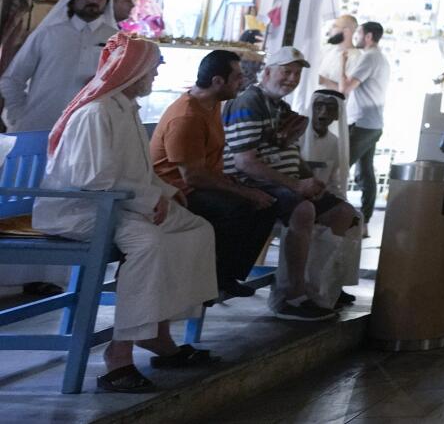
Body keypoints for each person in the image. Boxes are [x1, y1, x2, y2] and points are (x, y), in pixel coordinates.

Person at [37, 34, 218, 393]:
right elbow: (92, 180)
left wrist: (167, 192)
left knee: (197, 230)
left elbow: (139, 172)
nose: (154, 77)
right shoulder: (95, 112)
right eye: (151, 70)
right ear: (133, 71)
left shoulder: (125, 108)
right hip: (84, 210)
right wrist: (149, 199)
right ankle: (119, 356)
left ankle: (157, 334)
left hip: (121, 204)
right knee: (150, 244)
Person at [223, 46, 360, 319]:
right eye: (287, 71)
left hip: (282, 183)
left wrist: (309, 178)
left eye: (297, 74)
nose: (291, 79)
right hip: (250, 184)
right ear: (268, 71)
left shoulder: (281, 108)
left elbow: (290, 153)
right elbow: (245, 163)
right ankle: (290, 296)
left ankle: (316, 290)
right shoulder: (250, 102)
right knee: (303, 209)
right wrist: (297, 186)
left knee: (343, 213)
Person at [148, 48, 278, 297]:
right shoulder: (187, 116)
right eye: (238, 77)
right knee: (240, 208)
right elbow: (193, 177)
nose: (244, 82)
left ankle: (225, 276)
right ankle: (205, 281)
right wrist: (244, 192)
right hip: (177, 192)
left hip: (200, 184)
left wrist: (246, 190)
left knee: (268, 204)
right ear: (218, 81)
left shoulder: (211, 104)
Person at [0, 0, 117, 131]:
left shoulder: (116, 39)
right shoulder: (47, 34)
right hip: (40, 125)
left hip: (90, 129)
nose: (93, 0)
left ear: (107, 1)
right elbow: (12, 79)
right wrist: (18, 114)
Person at [338, 21, 390, 224]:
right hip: (372, 123)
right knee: (365, 171)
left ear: (368, 36)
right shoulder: (379, 58)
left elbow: (345, 88)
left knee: (342, 167)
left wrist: (343, 63)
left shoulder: (369, 57)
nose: (356, 38)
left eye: (358, 33)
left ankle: (340, 216)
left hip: (362, 124)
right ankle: (365, 218)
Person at [299, 89, 350, 214]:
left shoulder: (335, 143)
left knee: (352, 216)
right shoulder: (296, 135)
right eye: (318, 106)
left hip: (321, 197)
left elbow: (334, 182)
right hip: (294, 193)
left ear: (337, 114)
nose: (323, 112)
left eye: (330, 108)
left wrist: (341, 200)